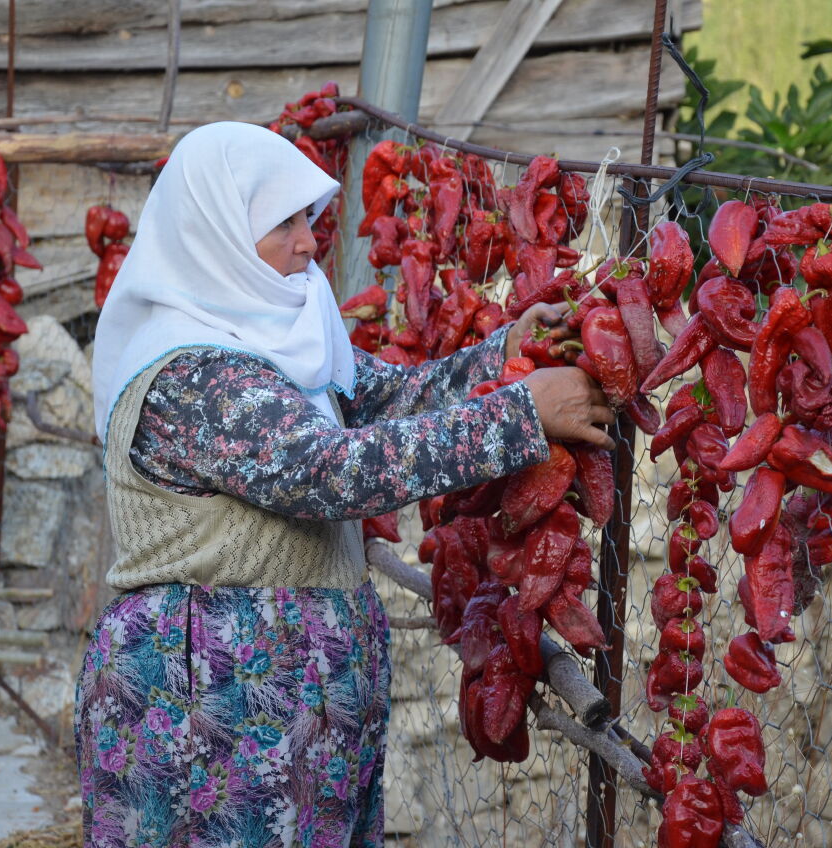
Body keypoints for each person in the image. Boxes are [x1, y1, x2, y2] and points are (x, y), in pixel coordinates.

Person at [77, 122, 615, 848]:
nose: (309, 243)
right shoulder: (193, 373)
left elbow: (387, 398)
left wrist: (506, 354)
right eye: (284, 224)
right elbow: (329, 473)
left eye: (309, 219)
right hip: (208, 700)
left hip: (299, 698)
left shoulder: (280, 333)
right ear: (216, 235)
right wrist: (519, 413)